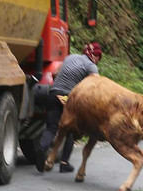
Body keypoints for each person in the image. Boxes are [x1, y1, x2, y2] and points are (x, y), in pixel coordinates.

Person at [35, 41, 102, 173]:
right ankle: (64, 163)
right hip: (68, 100)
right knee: (70, 130)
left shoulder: (70, 58)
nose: (97, 62)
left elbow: (54, 73)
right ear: (96, 56)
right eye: (98, 59)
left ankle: (42, 148)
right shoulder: (91, 66)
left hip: (53, 94)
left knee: (51, 127)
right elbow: (97, 86)